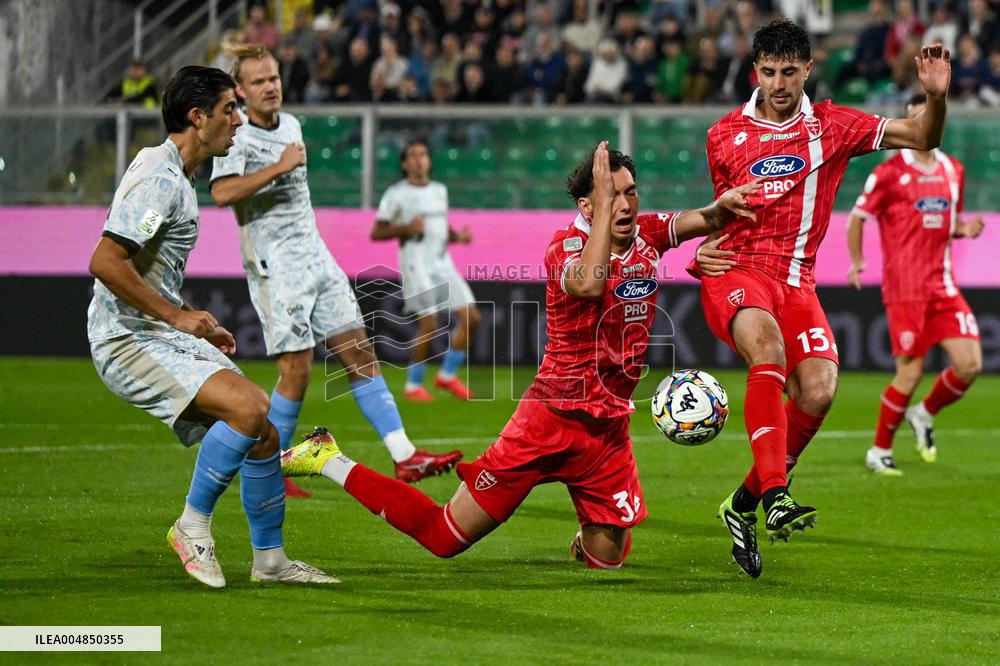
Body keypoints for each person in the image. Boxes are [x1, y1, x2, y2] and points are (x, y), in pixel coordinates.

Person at [281, 143, 759, 569]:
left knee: (607, 559)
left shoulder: (649, 233)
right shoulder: (564, 248)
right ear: (586, 205)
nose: (626, 204)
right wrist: (604, 211)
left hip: (606, 432)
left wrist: (725, 207)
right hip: (548, 422)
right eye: (611, 196)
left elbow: (708, 219)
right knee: (443, 536)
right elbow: (590, 284)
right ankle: (327, 458)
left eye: (631, 192)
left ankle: (586, 532)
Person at [690, 20, 952, 579]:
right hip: (738, 272)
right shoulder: (724, 134)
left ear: (808, 69)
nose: (779, 83)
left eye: (789, 72)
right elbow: (720, 214)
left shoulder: (834, 125)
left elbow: (923, 138)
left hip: (796, 282)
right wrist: (705, 249)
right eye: (768, 72)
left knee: (818, 388)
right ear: (754, 70)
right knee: (768, 352)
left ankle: (741, 506)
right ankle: (778, 496)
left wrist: (936, 96)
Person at [87, 65, 334, 588]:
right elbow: (107, 261)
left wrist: (189, 322)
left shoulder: (179, 175)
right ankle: (191, 526)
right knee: (250, 407)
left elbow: (146, 263)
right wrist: (175, 316)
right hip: (126, 338)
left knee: (264, 436)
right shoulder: (160, 178)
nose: (239, 121)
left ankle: (270, 561)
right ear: (197, 117)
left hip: (160, 332)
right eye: (229, 109)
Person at [209, 45, 462, 491]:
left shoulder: (290, 124)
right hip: (277, 267)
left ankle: (405, 456)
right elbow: (224, 192)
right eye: (259, 82)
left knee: (360, 352)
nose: (271, 87)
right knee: (298, 369)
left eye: (274, 78)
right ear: (241, 92)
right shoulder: (238, 135)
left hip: (317, 258)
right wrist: (280, 166)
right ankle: (270, 469)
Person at [847, 93, 984, 476]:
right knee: (910, 372)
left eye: (924, 116)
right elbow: (856, 217)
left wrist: (963, 229)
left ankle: (924, 413)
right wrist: (858, 260)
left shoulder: (953, 170)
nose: (918, 125)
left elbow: (947, 221)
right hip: (905, 287)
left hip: (942, 284)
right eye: (912, 119)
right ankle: (879, 450)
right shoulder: (889, 173)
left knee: (969, 364)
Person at [371, 140, 480, 402]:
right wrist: (404, 228)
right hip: (415, 265)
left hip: (443, 263)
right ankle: (413, 385)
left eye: (423, 154)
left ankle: (447, 376)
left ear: (429, 161)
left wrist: (456, 237)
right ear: (404, 163)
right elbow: (377, 231)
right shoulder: (396, 194)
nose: (419, 159)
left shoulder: (439, 190)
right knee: (429, 324)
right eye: (413, 155)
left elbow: (438, 227)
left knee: (472, 317)